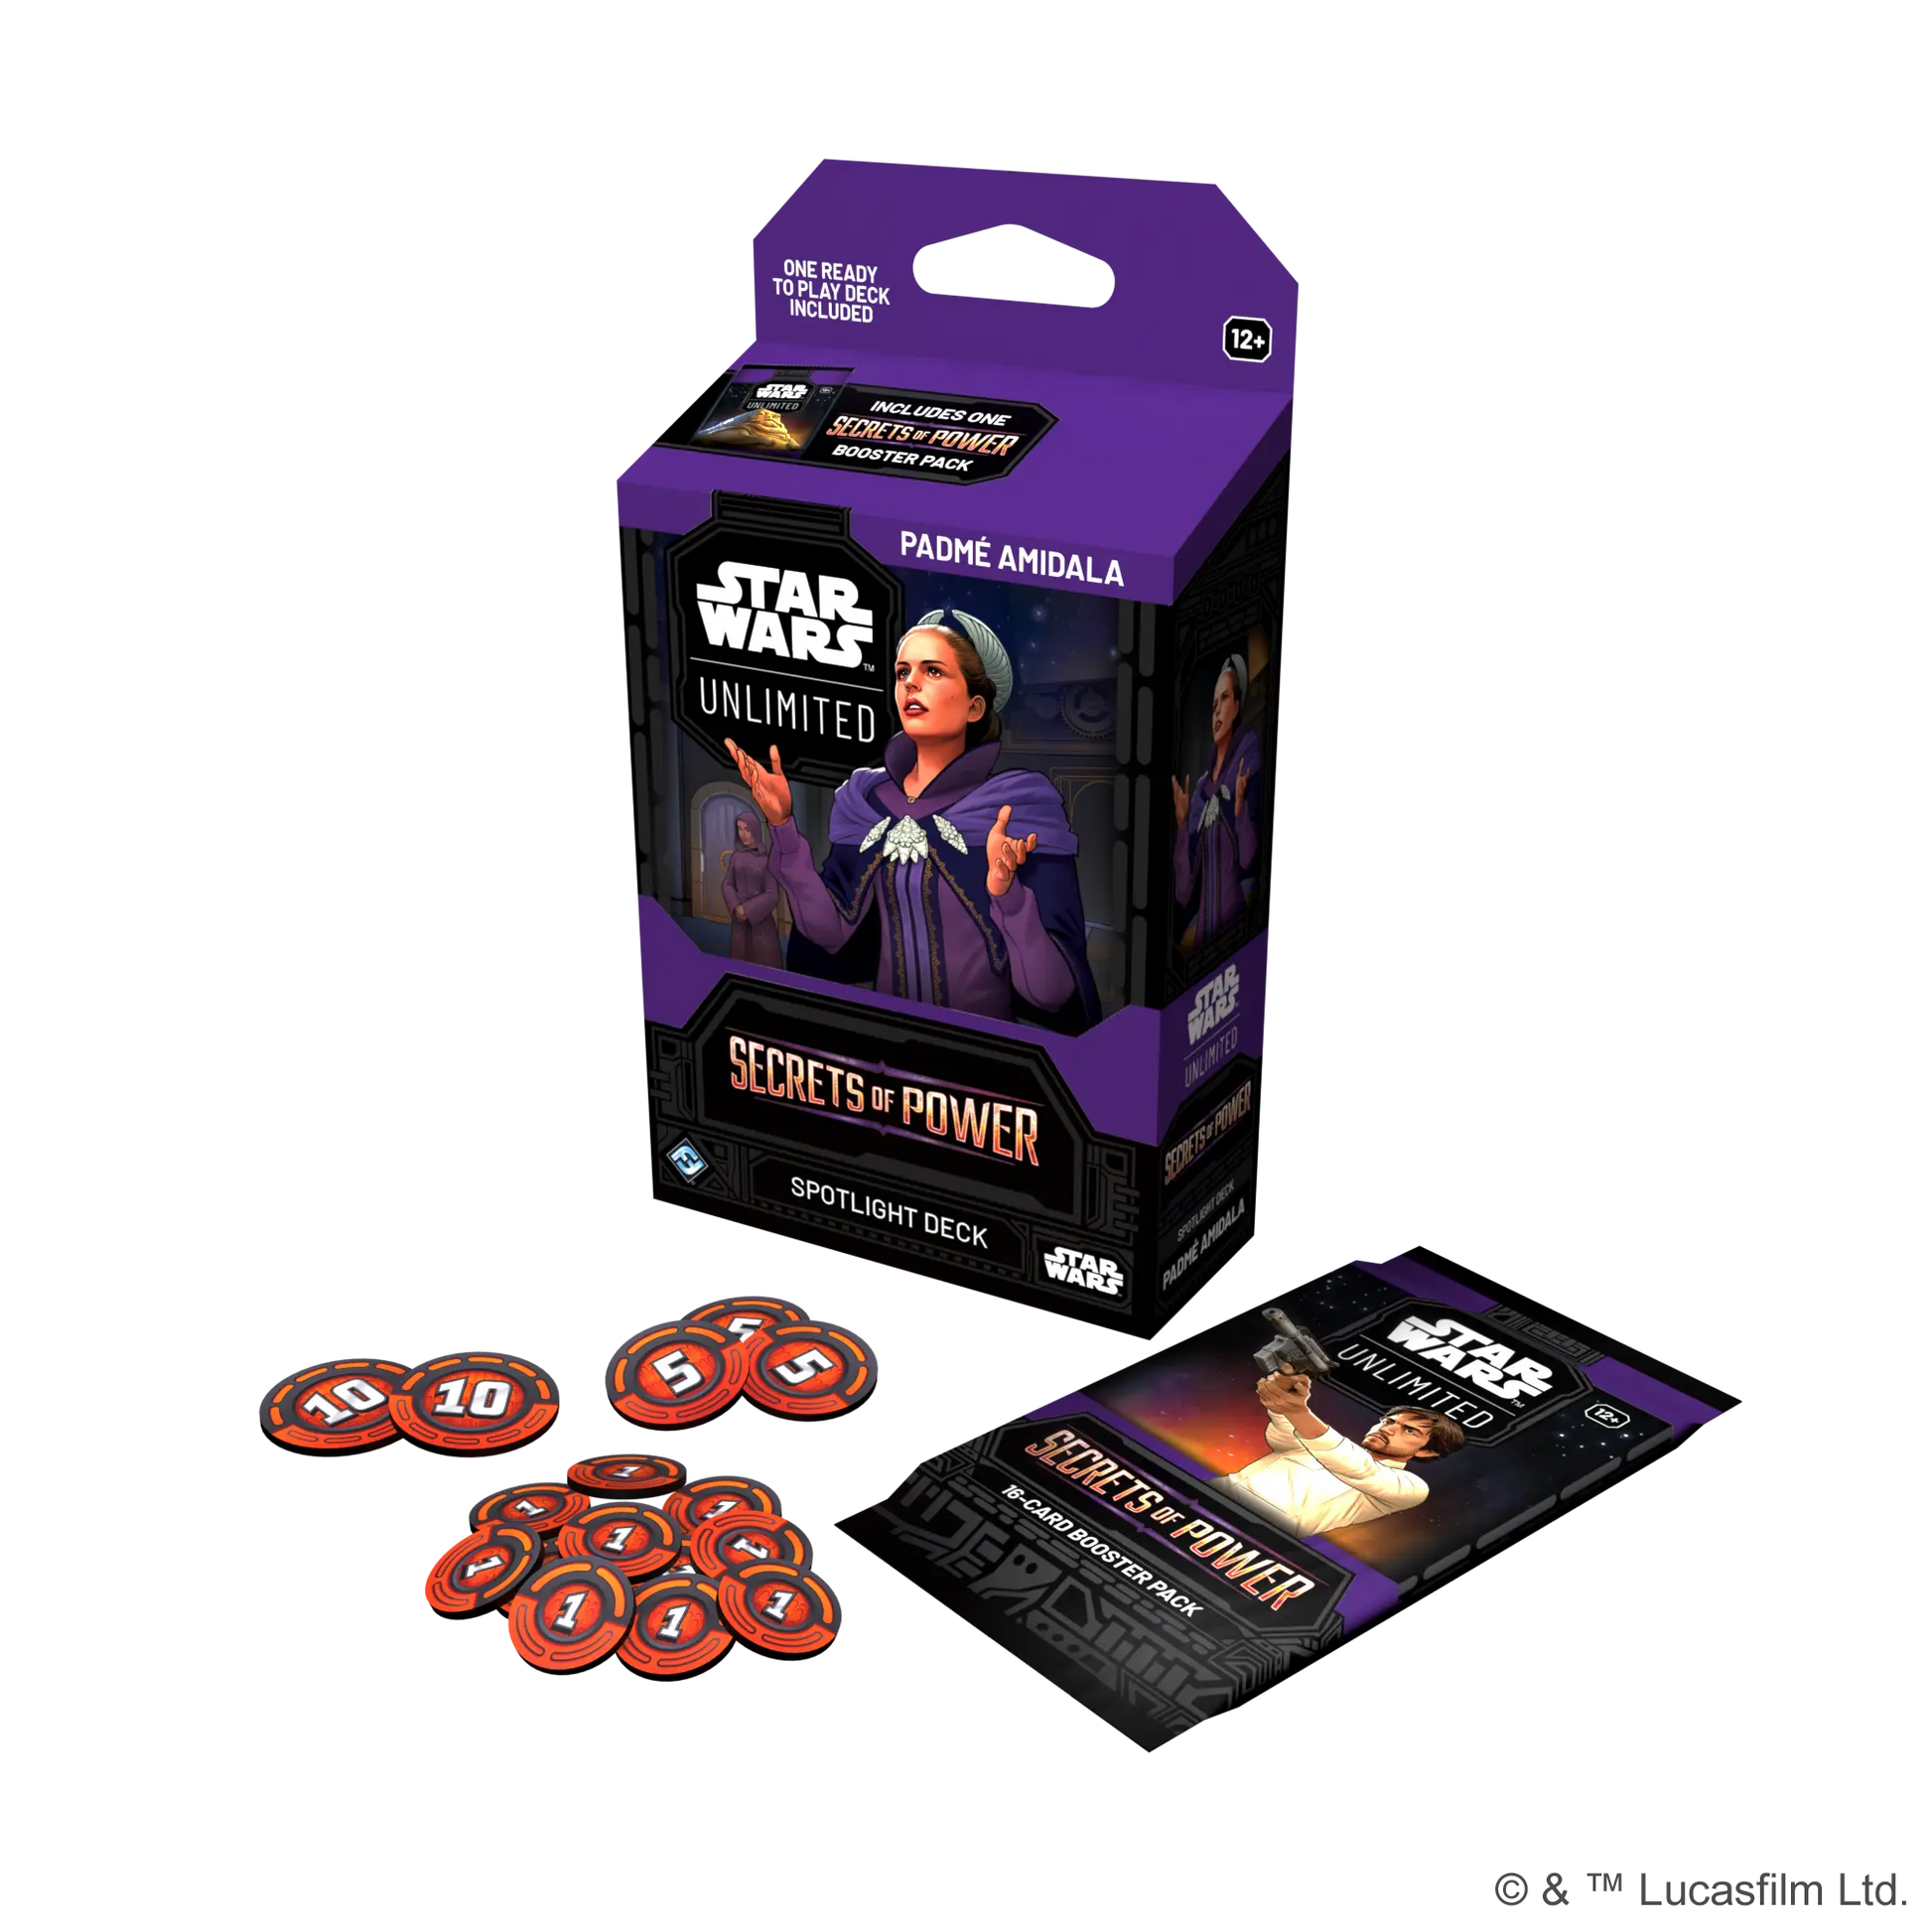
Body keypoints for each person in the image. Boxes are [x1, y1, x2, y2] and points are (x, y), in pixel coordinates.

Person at [725, 607, 1098, 1030]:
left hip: (981, 1049)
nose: (911, 684)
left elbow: (1050, 994)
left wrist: (1008, 897)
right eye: (903, 672)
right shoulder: (866, 801)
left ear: (975, 707)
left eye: (933, 671)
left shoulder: (1017, 808)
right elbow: (829, 933)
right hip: (885, 1041)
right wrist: (783, 827)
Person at [1210, 1368, 1464, 1538]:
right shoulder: (1322, 1443)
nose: (1388, 1429)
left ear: (1427, 1452)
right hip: (1207, 1495)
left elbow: (1359, 1468)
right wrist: (1281, 1402)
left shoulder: (1410, 1487)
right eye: (1388, 1421)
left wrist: (1297, 1411)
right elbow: (1286, 1432)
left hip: (1249, 1536)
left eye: (1409, 1430)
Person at [1173, 653, 1262, 943]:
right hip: (1204, 931)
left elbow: (1249, 858)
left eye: (1224, 699)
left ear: (1236, 706)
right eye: (1213, 706)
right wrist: (1183, 825)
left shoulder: (1247, 767)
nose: (1217, 712)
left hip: (1234, 919)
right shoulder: (1201, 790)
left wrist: (1238, 807)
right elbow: (1183, 891)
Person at [719, 810, 783, 966]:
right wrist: (736, 906)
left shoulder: (766, 860)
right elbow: (727, 884)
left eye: (747, 829)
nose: (743, 834)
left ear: (755, 829)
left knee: (764, 962)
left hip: (761, 922)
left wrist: (747, 909)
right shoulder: (736, 857)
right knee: (740, 960)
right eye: (740, 829)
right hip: (740, 923)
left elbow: (772, 894)